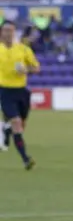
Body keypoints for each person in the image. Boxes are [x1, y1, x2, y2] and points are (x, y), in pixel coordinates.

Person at [0, 21, 40, 169]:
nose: (8, 33)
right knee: (17, 122)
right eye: (5, 31)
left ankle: (7, 129)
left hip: (22, 92)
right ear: (1, 33)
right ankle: (25, 159)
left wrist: (26, 70)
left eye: (10, 30)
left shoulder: (23, 49)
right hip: (5, 91)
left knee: (21, 125)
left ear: (14, 32)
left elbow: (36, 68)